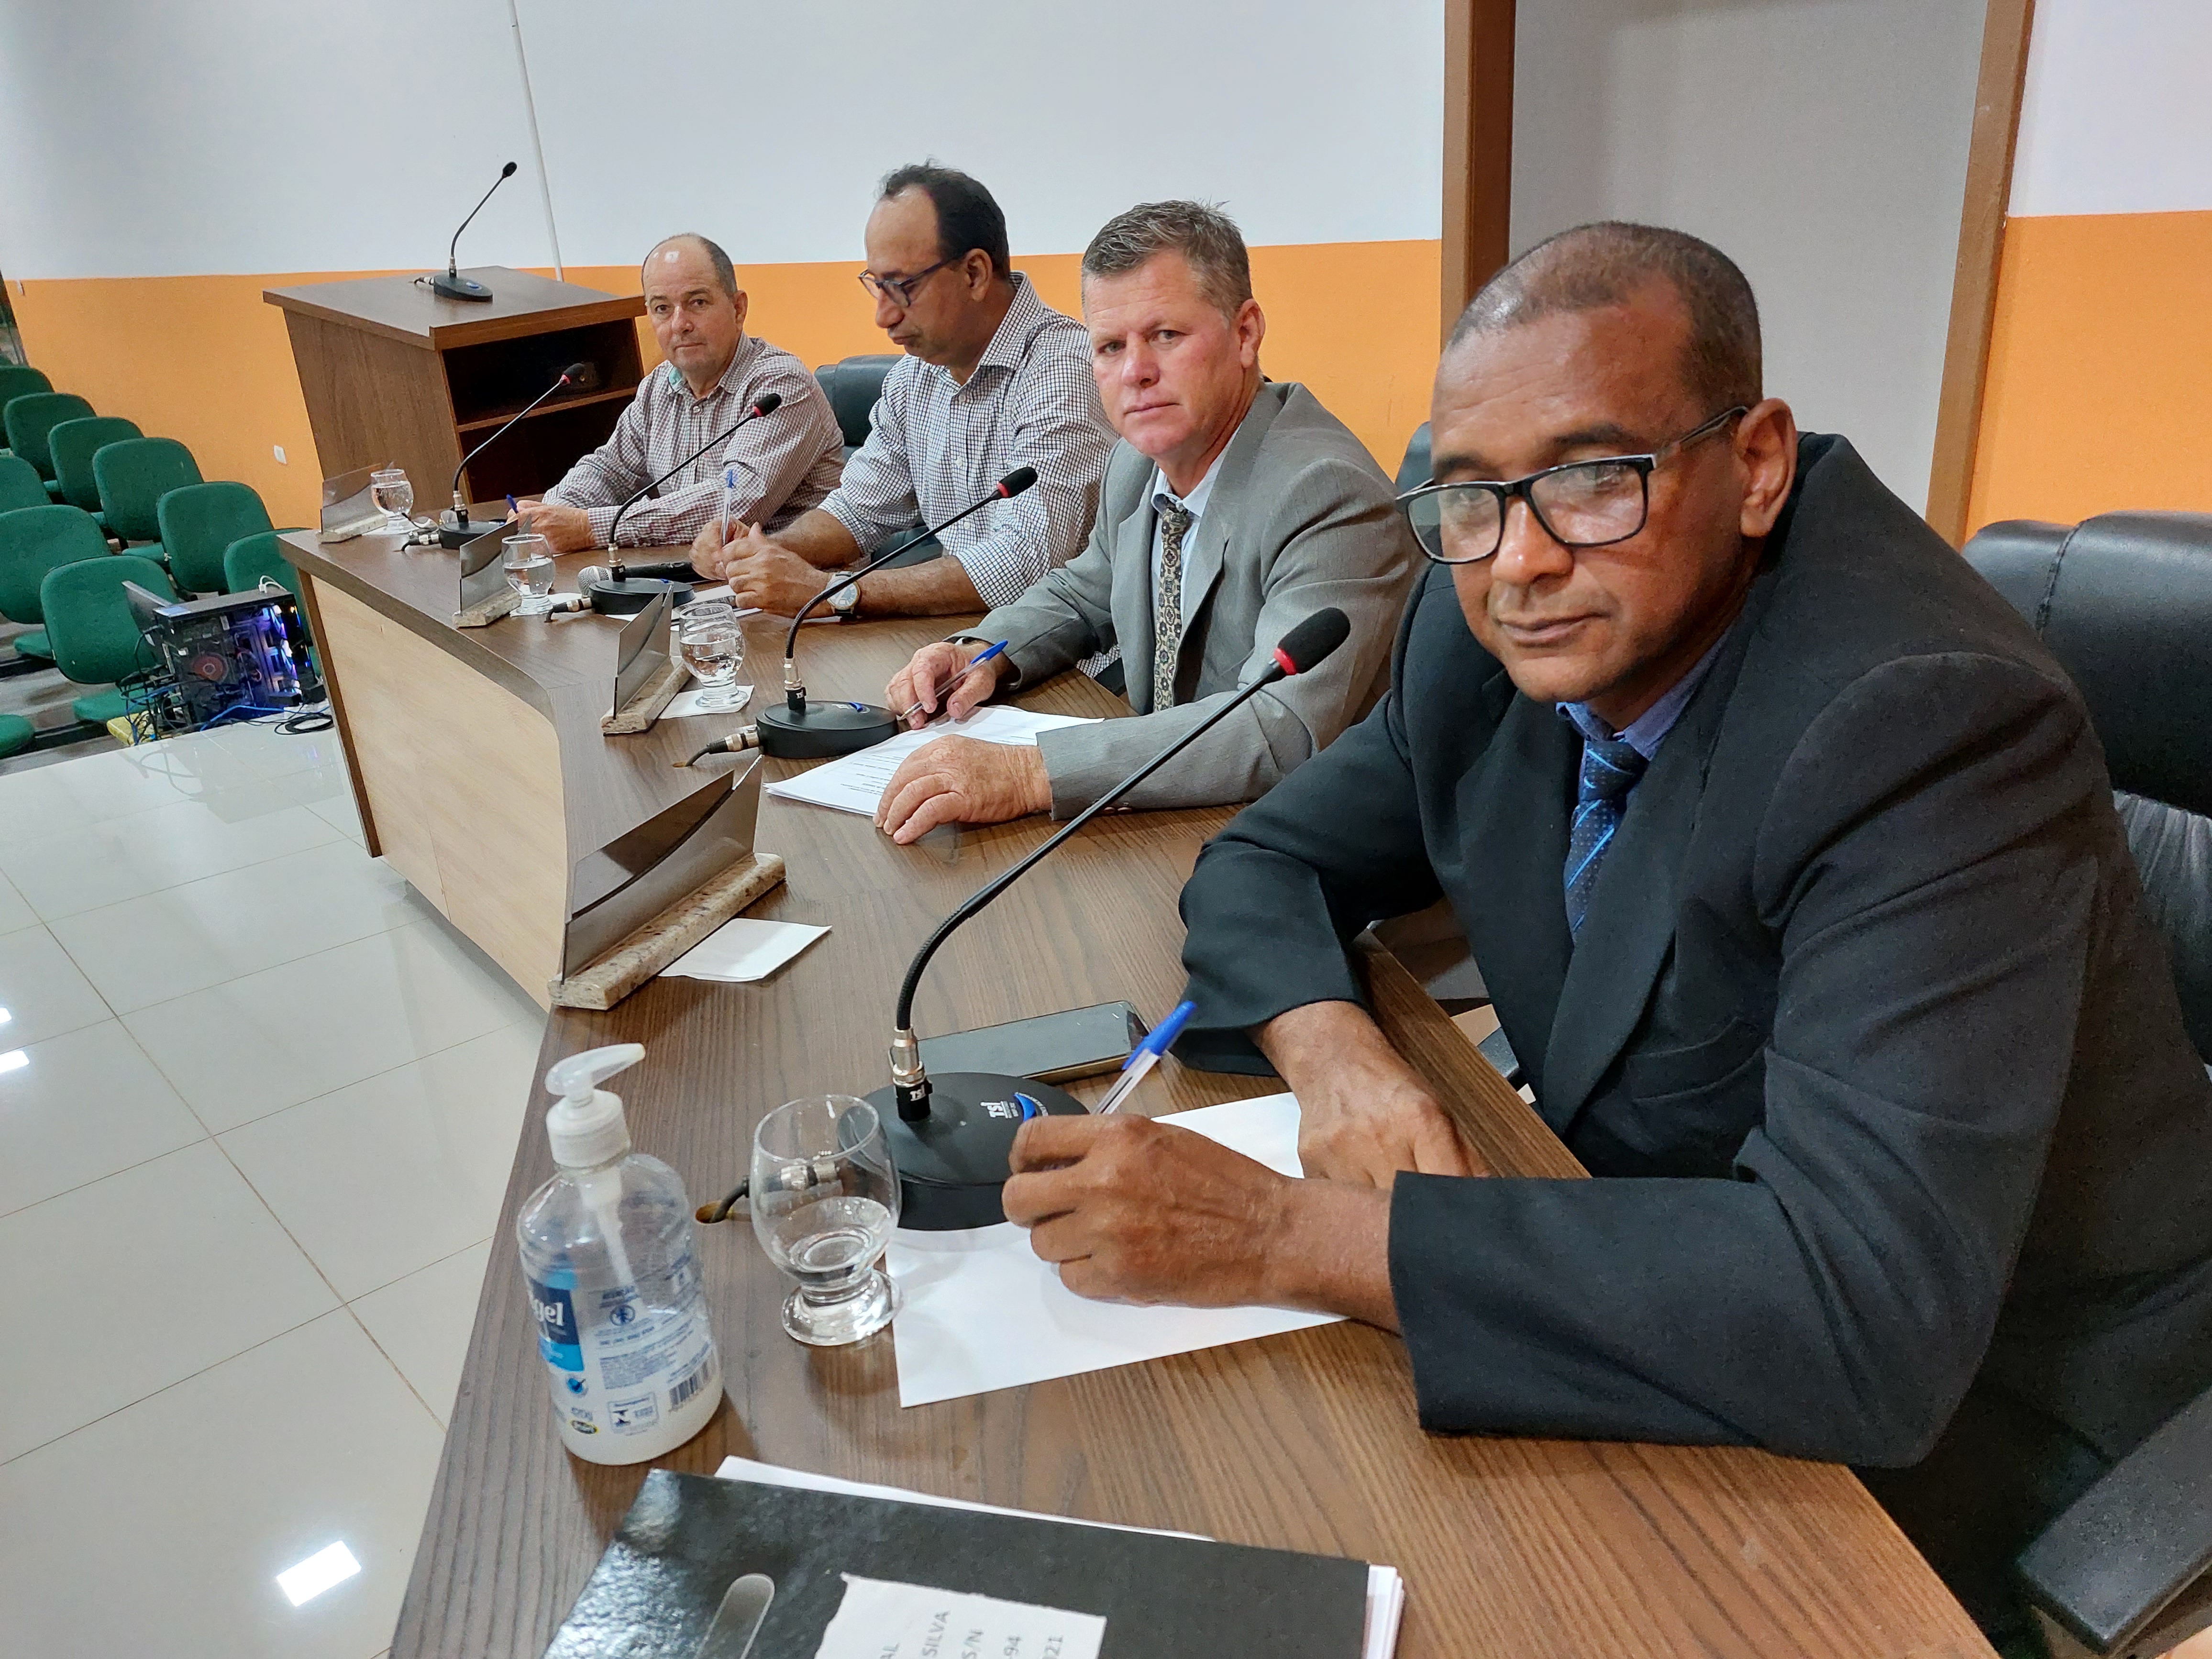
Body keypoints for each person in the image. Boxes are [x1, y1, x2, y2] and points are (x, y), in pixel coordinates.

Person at [996, 222, 2212, 1643]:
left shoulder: (1923, 721)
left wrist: (1281, 1231)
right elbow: (1265, 859)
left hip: (1985, 1397)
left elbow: (1860, 1313)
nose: (1517, 559)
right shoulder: (1486, 629)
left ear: (1754, 462)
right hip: (1646, 1258)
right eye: (1469, 495)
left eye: (1588, 479)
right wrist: (1334, 1057)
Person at [872, 200, 1415, 842]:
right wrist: (981, 655)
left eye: (1166, 336)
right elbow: (1080, 593)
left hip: (1310, 843)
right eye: (1110, 346)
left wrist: (1033, 772)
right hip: (1169, 818)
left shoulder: (1326, 492)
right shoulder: (1136, 462)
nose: (1136, 372)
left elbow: (1278, 727)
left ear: (1246, 334)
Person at [690, 164, 1112, 619]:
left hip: (1062, 649)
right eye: (876, 285)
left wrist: (833, 592)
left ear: (974, 274)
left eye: (902, 287)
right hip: (960, 639)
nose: (883, 316)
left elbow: (1024, 563)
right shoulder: (915, 376)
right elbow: (856, 512)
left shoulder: (1064, 371)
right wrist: (761, 551)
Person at [513, 234, 843, 552]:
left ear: (738, 309)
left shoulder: (779, 384)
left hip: (797, 580)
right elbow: (610, 471)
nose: (679, 324)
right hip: (690, 573)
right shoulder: (659, 386)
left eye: (697, 303)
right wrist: (552, 513)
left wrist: (589, 527)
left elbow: (732, 503)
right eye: (662, 308)